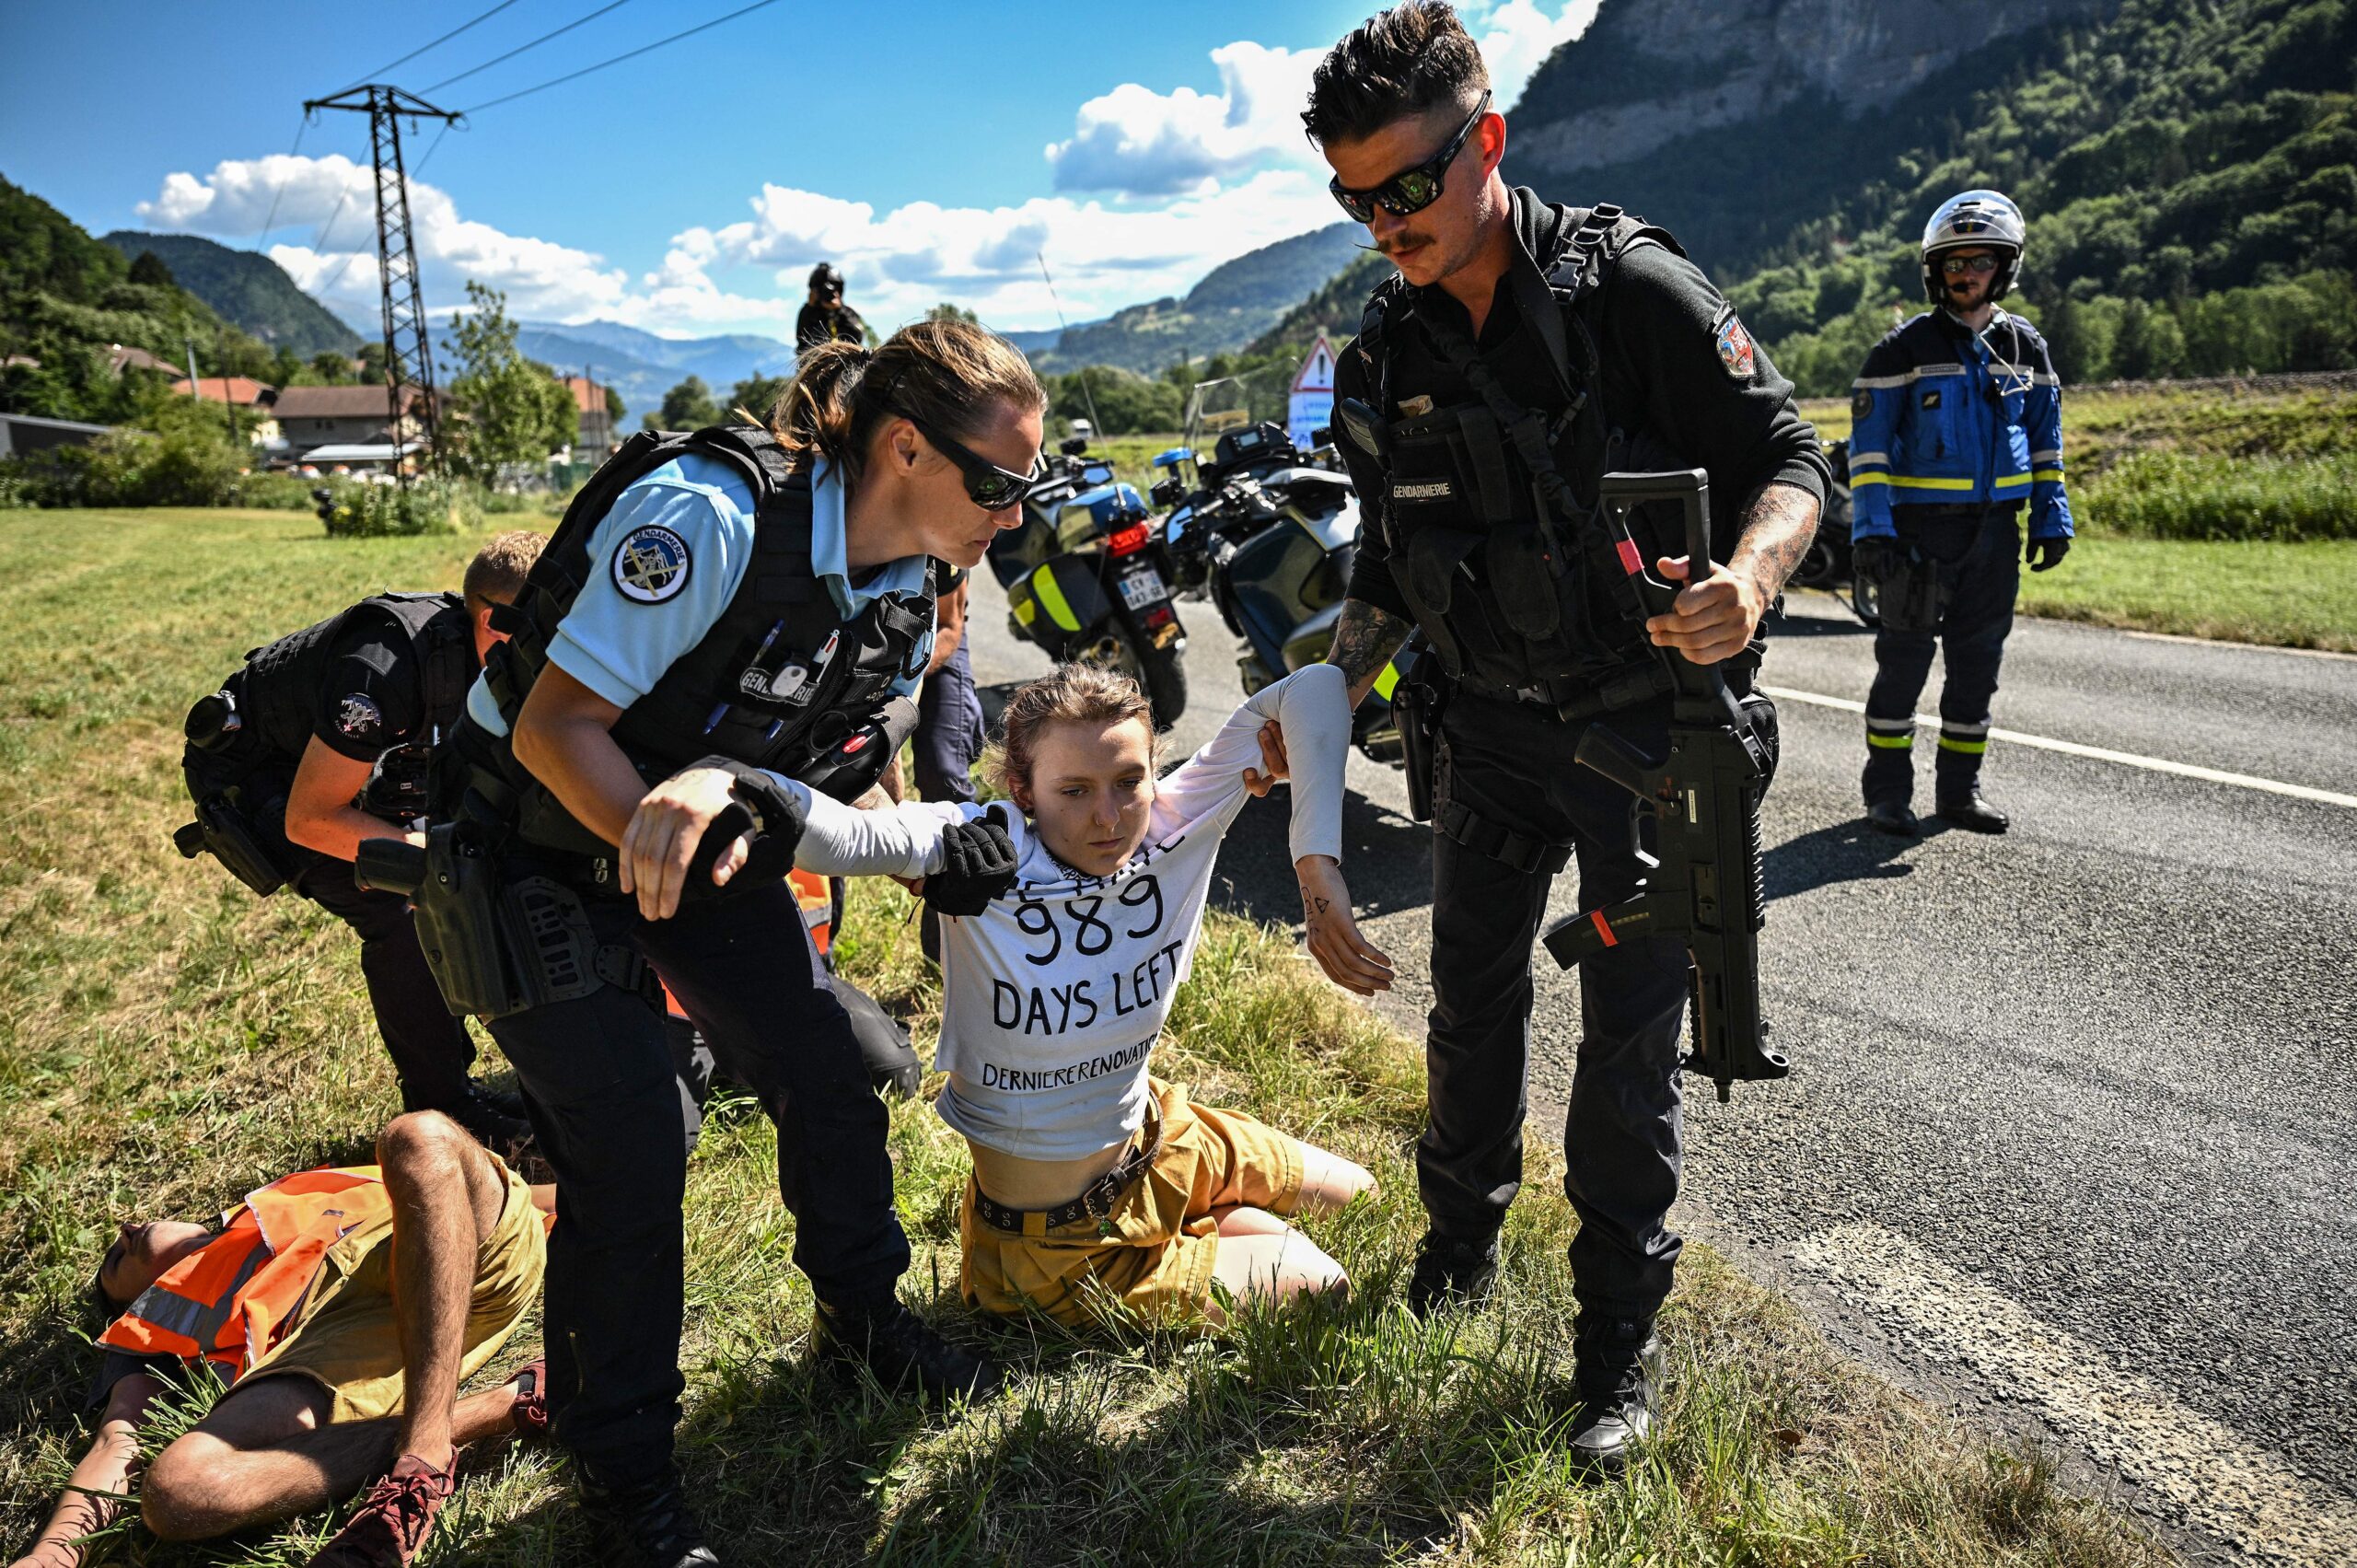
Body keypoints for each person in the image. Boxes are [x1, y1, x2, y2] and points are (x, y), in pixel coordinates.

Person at [1302, 2, 1829, 1472]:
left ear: (1487, 139)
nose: (1384, 224)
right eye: (1354, 200)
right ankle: (1456, 1250)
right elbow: (1386, 575)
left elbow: (1791, 458)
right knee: (1468, 1010)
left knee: (1624, 1051)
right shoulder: (1383, 351)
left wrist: (1750, 579)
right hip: (1481, 734)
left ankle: (1615, 1348)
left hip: (1641, 740)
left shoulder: (1632, 290)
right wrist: (1327, 697)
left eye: (1407, 186)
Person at [441, 319, 1048, 1565]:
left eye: (1024, 487)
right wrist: (673, 836)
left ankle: (863, 1318)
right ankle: (623, 1480)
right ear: (903, 448)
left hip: (693, 833)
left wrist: (917, 843)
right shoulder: (709, 518)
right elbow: (559, 727)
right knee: (634, 1129)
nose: (1011, 515)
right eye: (995, 483)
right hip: (542, 838)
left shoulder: (905, 567)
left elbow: (835, 747)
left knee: (828, 1058)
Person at [632, 662, 1388, 1328]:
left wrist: (1316, 868)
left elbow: (1317, 688)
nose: (1108, 815)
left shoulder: (1175, 817)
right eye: (1074, 789)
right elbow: (854, 838)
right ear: (1022, 789)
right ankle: (1198, 1238)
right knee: (1327, 1285)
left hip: (1163, 1138)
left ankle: (1200, 1221)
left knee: (1364, 1194)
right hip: (1055, 1243)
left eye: (1129, 780)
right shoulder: (983, 846)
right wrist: (733, 783)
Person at [9, 1111, 551, 1568]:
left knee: (420, 1135)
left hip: (469, 1246)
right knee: (178, 1492)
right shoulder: (153, 1327)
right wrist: (52, 1555)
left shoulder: (278, 1201)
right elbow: (116, 1443)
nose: (125, 1231)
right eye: (116, 1261)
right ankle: (513, 1401)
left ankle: (422, 1454)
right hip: (350, 1340)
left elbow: (508, 1189)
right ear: (133, 1300)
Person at [174, 532, 547, 1150]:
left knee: (473, 875)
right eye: (546, 628)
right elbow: (312, 819)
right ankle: (443, 1111)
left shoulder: (490, 659)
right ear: (492, 622)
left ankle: (457, 1084)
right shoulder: (385, 669)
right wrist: (432, 859)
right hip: (266, 781)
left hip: (362, 775)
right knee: (406, 905)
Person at [1847, 190, 2074, 836]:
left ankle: (1958, 792)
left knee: (1977, 670)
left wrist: (2052, 517)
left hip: (1996, 536)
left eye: (1979, 261)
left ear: (2003, 268)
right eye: (1953, 263)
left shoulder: (2026, 348)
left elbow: (2046, 443)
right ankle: (1887, 794)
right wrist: (1873, 532)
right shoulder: (1902, 351)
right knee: (1903, 668)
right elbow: (1868, 453)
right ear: (1935, 271)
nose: (1965, 273)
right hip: (1918, 537)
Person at [911, 565, 984, 963]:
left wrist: (899, 689)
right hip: (859, 635)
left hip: (936, 637)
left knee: (945, 776)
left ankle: (946, 948)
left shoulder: (942, 536)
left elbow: (950, 627)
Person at [795, 263, 868, 354]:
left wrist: (840, 310)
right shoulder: (808, 313)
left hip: (846, 362)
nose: (828, 293)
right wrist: (810, 308)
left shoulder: (848, 313)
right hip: (815, 363)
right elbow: (803, 341)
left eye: (833, 288)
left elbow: (858, 336)